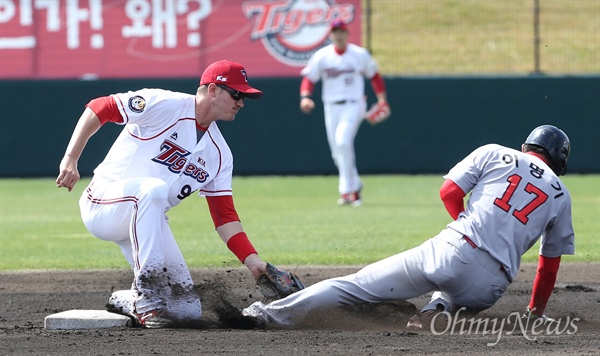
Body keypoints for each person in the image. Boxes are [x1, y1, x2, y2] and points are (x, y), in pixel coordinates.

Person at [243, 125, 574, 329]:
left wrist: (461, 222)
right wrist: (534, 312)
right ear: (559, 160)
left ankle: (266, 315)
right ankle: (436, 309)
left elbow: (449, 192)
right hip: (491, 285)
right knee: (455, 293)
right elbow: (549, 265)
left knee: (354, 286)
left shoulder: (494, 152)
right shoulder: (561, 195)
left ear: (527, 146)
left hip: (454, 250)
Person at [56, 60, 271, 329]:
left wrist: (253, 262)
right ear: (213, 89)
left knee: (186, 309)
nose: (241, 102)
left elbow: (224, 216)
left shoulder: (219, 154)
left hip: (146, 222)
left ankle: (129, 299)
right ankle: (147, 296)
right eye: (237, 94)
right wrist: (70, 158)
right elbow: (101, 106)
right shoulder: (165, 104)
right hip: (103, 203)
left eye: (244, 96)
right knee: (153, 189)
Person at [299, 20, 389, 206]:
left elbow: (374, 75)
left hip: (354, 104)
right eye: (335, 31)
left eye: (342, 31)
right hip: (331, 107)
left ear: (347, 34)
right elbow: (309, 78)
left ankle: (348, 192)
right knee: (337, 153)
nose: (338, 35)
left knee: (342, 140)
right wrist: (305, 97)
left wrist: (382, 99)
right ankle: (355, 184)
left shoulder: (359, 54)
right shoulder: (322, 56)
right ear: (330, 34)